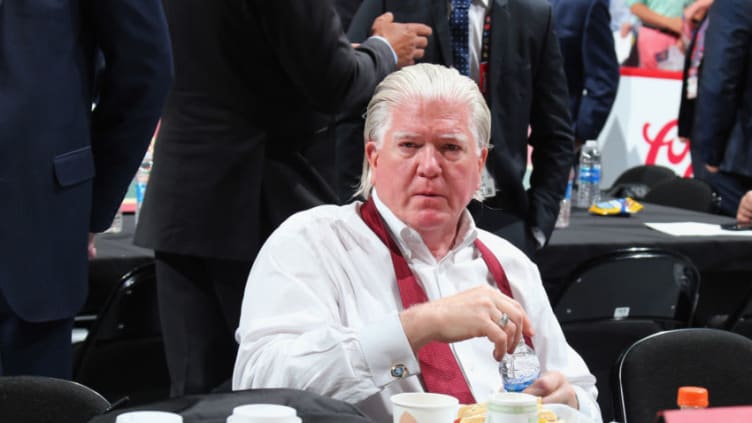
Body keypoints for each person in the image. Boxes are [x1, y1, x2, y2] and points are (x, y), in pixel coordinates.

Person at [233, 64, 601, 423]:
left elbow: (583, 395)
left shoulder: (509, 264)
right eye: (409, 145)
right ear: (374, 158)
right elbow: (261, 383)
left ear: (479, 164)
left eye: (450, 147)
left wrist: (569, 404)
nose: (429, 166)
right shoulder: (313, 243)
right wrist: (418, 327)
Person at [134, 0, 431, 396]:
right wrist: (385, 49)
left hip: (182, 197)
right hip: (257, 198)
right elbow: (333, 83)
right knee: (285, 389)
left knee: (196, 394)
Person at [0, 1, 172, 378]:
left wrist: (90, 204)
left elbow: (145, 68)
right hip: (40, 217)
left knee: (32, 401)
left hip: (35, 220)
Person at [340, 0, 575, 256]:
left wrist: (538, 227)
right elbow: (348, 101)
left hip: (500, 216)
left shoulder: (533, 14)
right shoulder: (390, 4)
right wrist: (356, 209)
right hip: (402, 215)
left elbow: (555, 134)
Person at [693, 0, 752, 217]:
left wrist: (711, 154)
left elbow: (719, 81)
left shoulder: (734, 4)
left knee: (724, 246)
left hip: (734, 159)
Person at [549, 0, 620, 146]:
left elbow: (603, 77)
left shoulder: (587, 5)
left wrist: (580, 134)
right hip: (502, 136)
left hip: (555, 138)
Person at [677, 0, 714, 181]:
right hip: (699, 116)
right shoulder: (708, 19)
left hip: (719, 128)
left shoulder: (732, 14)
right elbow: (693, 66)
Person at [627, 0, 694, 70]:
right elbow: (635, 6)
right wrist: (670, 23)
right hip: (654, 36)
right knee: (654, 78)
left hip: (687, 38)